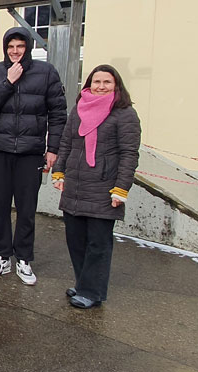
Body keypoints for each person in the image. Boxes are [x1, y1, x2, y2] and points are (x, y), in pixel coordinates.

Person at [0, 27, 67, 285]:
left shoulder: (46, 72)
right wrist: (8, 82)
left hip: (30, 152)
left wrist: (53, 149)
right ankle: (2, 255)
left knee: (27, 208)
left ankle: (24, 258)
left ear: (28, 47)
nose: (15, 51)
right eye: (10, 47)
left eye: (20, 46)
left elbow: (58, 113)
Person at [52, 65, 140, 309]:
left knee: (98, 244)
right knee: (76, 240)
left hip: (103, 188)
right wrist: (59, 171)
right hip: (76, 186)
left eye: (107, 82)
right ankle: (83, 285)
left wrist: (121, 189)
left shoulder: (125, 114)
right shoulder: (79, 109)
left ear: (116, 85)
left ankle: (92, 291)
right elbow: (67, 143)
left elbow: (129, 154)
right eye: (96, 81)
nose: (101, 86)